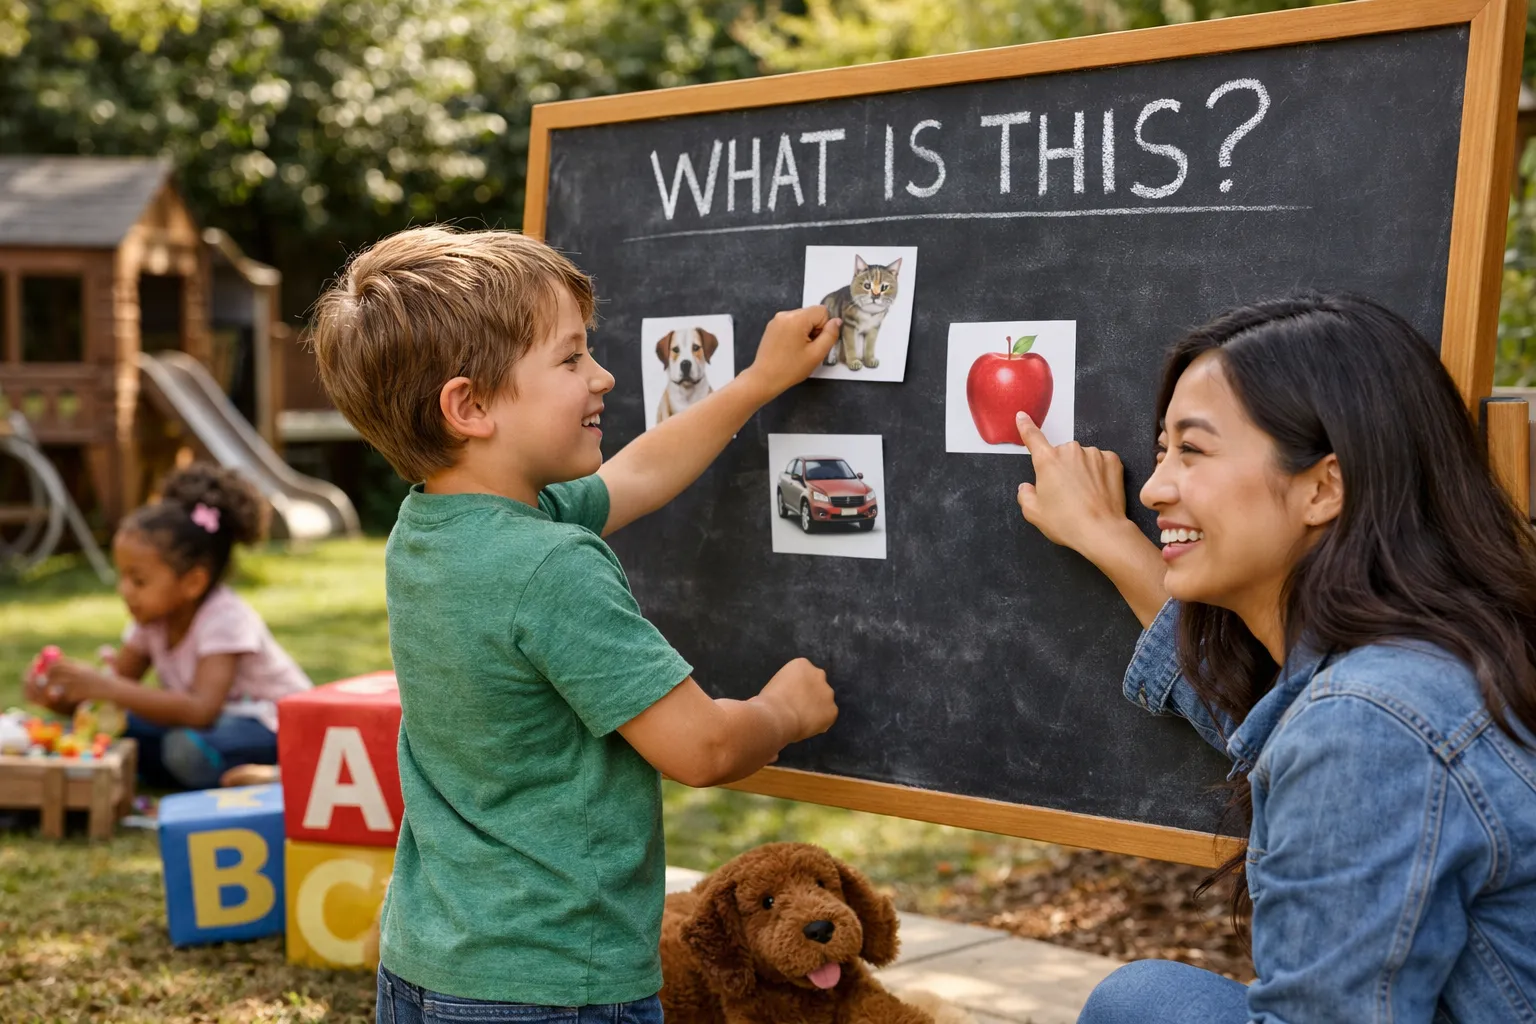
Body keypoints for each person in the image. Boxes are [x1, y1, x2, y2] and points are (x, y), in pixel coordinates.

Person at [308, 225, 843, 1023]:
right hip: (554, 985)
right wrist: (783, 712)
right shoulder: (551, 566)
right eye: (570, 359)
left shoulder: (432, 529)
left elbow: (638, 473)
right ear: (471, 405)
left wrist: (755, 384)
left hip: (432, 963)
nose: (604, 375)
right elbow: (700, 747)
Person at [1014, 294, 1536, 1022]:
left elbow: (1343, 738)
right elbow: (1270, 720)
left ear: (1324, 487)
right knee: (1143, 999)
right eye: (1160, 449)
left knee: (1138, 1004)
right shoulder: (1428, 660)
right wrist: (1112, 543)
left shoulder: (1367, 723)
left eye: (1191, 450)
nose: (1153, 487)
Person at [25, 463, 313, 789]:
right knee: (118, 726)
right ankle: (199, 773)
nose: (125, 590)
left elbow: (202, 710)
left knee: (184, 748)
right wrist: (59, 696)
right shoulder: (150, 621)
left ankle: (279, 775)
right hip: (206, 729)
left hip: (274, 726)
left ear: (193, 582)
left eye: (139, 580)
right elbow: (108, 698)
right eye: (123, 577)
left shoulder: (225, 618)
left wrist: (104, 687)